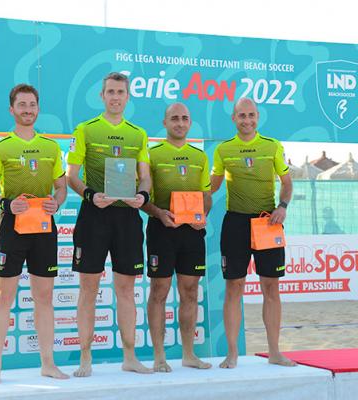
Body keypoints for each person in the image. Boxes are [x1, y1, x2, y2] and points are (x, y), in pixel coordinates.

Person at [0, 84, 68, 384]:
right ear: (12, 109)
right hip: (11, 231)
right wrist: (6, 203)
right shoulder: (0, 147)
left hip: (43, 229)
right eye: (22, 105)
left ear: (38, 109)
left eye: (32, 105)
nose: (28, 110)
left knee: (44, 297)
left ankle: (48, 364)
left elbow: (61, 187)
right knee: (3, 296)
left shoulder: (51, 148)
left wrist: (57, 201)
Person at [66, 72, 152, 376]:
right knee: (88, 288)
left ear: (127, 97)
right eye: (111, 92)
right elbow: (71, 176)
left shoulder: (138, 134)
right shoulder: (85, 129)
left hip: (127, 217)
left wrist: (143, 196)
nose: (115, 97)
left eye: (120, 92)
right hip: (95, 215)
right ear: (102, 96)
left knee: (126, 289)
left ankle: (130, 357)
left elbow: (145, 176)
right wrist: (91, 195)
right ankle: (85, 358)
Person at [210, 97, 296, 368]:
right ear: (233, 118)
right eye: (241, 115)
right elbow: (212, 185)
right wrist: (187, 196)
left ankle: (274, 352)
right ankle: (232, 353)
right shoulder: (223, 149)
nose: (247, 120)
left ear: (257, 117)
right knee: (234, 287)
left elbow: (287, 183)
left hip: (267, 221)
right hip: (235, 223)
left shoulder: (272, 146)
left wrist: (282, 206)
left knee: (270, 287)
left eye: (251, 115)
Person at [142, 103, 212, 372]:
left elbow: (206, 196)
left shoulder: (199, 157)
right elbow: (143, 198)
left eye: (184, 118)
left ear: (190, 122)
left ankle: (188, 355)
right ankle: (159, 357)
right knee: (159, 290)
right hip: (161, 229)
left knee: (190, 291)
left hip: (192, 232)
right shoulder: (152, 154)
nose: (180, 123)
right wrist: (158, 213)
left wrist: (202, 214)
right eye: (174, 118)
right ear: (165, 122)